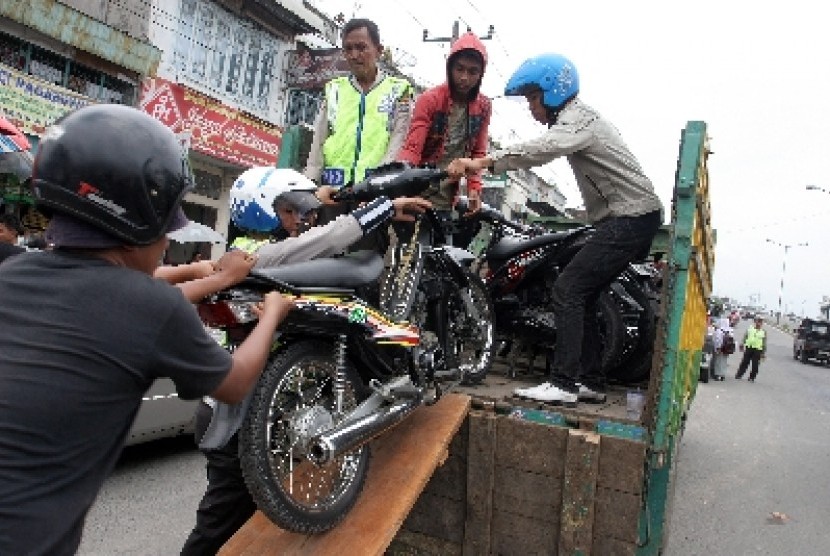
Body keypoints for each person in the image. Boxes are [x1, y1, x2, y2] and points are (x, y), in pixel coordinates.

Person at [0, 104, 295, 556]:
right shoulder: (150, 308)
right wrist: (273, 312)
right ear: (135, 224)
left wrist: (203, 273)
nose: (164, 247)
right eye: (166, 235)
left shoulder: (15, 271)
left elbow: (104, 293)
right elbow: (234, 383)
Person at [182, 166, 431, 555]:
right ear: (263, 211)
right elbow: (327, 239)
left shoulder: (257, 262)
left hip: (255, 410)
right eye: (288, 210)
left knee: (246, 525)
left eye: (301, 209)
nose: (301, 218)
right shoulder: (252, 256)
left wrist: (334, 196)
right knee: (219, 529)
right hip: (237, 417)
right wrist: (384, 207)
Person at [447, 53, 664, 406]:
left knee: (568, 289)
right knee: (585, 293)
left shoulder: (580, 121)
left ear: (552, 92)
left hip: (630, 218)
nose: (531, 107)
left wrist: (483, 161)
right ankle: (590, 381)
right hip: (629, 218)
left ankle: (563, 383)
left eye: (533, 98)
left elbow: (542, 150)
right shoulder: (579, 120)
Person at [303, 17, 413, 253]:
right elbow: (318, 142)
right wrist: (311, 190)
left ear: (378, 50)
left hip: (371, 196)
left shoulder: (398, 90)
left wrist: (377, 188)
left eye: (361, 47)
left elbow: (398, 142)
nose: (354, 55)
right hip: (332, 194)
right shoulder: (334, 89)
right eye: (348, 49)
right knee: (324, 265)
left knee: (365, 267)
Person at [396, 31, 491, 219]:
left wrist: (474, 188)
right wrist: (401, 188)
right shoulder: (430, 99)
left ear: (481, 74)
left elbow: (478, 153)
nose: (465, 77)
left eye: (473, 71)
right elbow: (412, 148)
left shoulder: (484, 107)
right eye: (460, 69)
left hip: (448, 199)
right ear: (450, 68)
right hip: (417, 193)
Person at [735, 315, 767, 382]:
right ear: (755, 321)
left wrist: (763, 353)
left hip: (758, 350)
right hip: (749, 348)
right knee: (744, 362)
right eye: (758, 321)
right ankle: (739, 375)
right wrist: (742, 344)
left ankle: (752, 377)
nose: (759, 323)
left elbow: (764, 343)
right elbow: (745, 337)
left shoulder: (763, 331)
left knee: (755, 365)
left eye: (761, 322)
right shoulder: (750, 329)